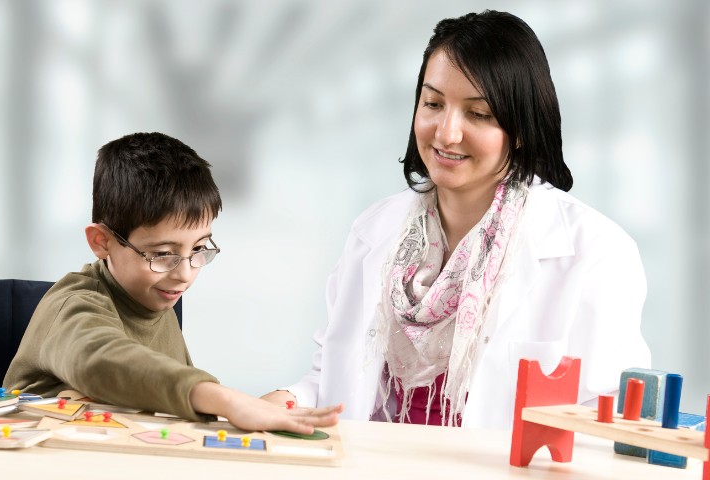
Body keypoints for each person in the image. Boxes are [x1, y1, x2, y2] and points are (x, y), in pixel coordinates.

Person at [262, 10, 650, 428]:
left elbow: (605, 419)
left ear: (520, 127)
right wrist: (282, 401)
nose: (446, 133)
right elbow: (336, 379)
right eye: (433, 104)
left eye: (478, 114)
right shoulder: (374, 231)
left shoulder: (595, 252)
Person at [4, 132, 341, 434]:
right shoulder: (73, 305)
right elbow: (99, 360)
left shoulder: (154, 298)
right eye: (163, 254)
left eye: (198, 249)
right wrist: (224, 400)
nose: (185, 274)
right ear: (101, 241)